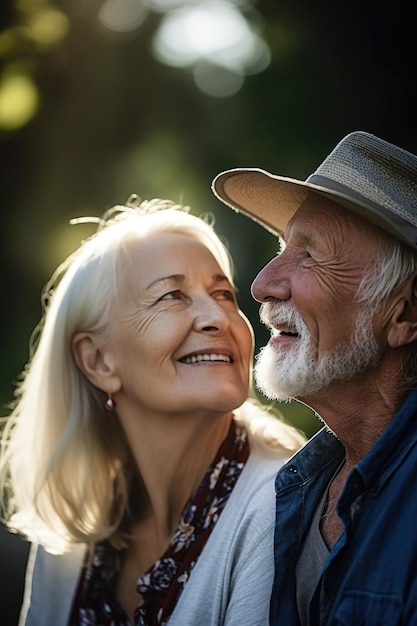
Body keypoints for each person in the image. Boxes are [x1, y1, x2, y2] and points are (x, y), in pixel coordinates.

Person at [0, 195, 305, 626]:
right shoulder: (72, 530)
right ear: (99, 361)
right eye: (171, 296)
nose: (217, 316)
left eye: (223, 293)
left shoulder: (279, 507)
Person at [212, 130, 417, 625]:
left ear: (406, 313)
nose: (262, 285)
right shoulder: (301, 485)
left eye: (308, 254)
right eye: (283, 247)